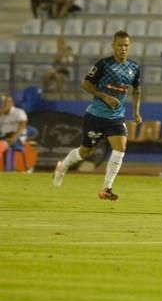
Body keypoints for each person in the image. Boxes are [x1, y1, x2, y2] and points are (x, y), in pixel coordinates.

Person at [52, 31, 142, 200]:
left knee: (121, 148)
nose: (123, 48)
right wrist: (104, 96)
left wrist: (136, 111)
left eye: (126, 45)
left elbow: (137, 90)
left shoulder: (134, 67)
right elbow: (85, 84)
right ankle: (62, 166)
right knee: (85, 152)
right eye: (120, 45)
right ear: (113, 46)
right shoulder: (103, 64)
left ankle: (106, 189)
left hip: (116, 116)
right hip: (96, 115)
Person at [0, 96, 28, 170]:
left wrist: (14, 137)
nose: (6, 104)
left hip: (18, 137)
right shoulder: (1, 115)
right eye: (4, 102)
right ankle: (9, 168)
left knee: (2, 144)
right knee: (3, 143)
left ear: (12, 103)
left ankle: (9, 168)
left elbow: (22, 125)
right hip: (4, 137)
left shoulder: (19, 112)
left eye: (8, 102)